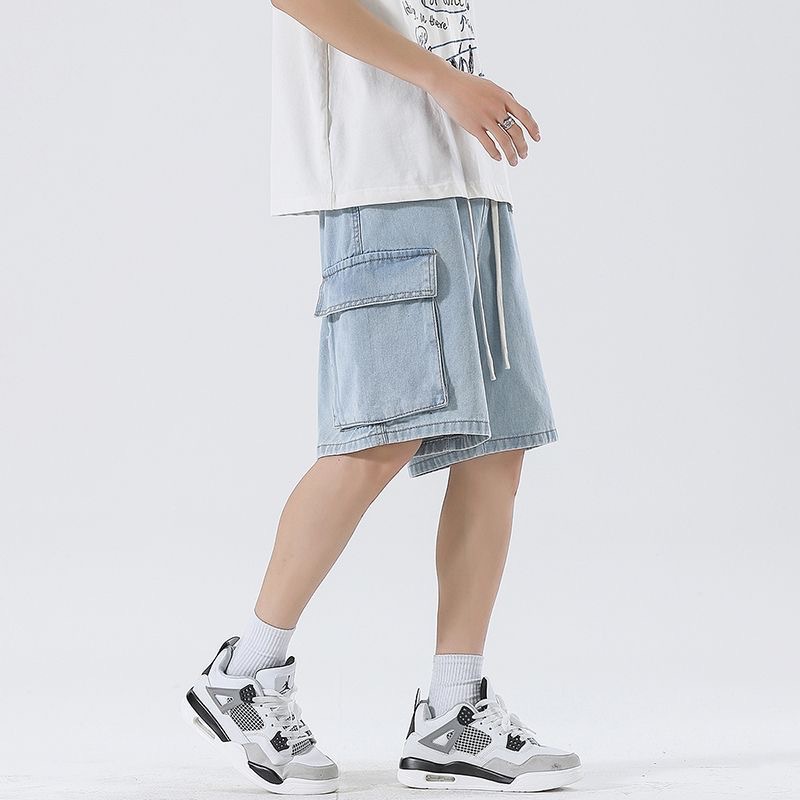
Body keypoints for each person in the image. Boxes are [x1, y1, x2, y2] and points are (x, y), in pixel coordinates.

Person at [183, 0, 581, 793]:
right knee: (376, 437)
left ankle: (453, 712)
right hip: (384, 186)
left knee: (497, 448)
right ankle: (245, 674)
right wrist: (442, 82)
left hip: (469, 184)